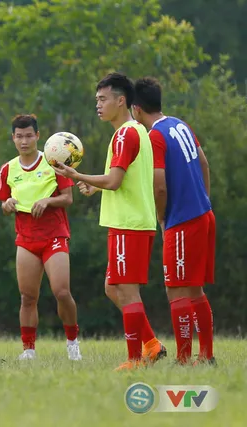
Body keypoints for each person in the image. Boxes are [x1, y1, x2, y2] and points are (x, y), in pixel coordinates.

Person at [53, 73, 166, 370]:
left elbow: (114, 181)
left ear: (121, 100)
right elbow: (119, 178)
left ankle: (135, 359)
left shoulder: (127, 133)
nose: (98, 106)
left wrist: (77, 176)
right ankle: (152, 345)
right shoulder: (130, 132)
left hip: (129, 223)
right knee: (112, 288)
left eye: (103, 100)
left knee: (126, 291)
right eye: (96, 100)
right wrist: (93, 184)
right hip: (126, 222)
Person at [132, 77, 215, 365]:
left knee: (175, 288)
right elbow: (204, 163)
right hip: (204, 214)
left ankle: (183, 359)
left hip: (183, 221)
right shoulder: (179, 124)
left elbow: (159, 186)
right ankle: (205, 356)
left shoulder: (155, 135)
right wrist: (204, 200)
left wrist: (163, 219)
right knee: (194, 288)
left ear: (136, 109)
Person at [0, 114, 81, 361]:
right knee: (27, 297)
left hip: (54, 235)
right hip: (26, 239)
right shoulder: (7, 169)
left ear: (38, 136)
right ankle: (28, 350)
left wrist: (47, 200)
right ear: (13, 138)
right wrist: (8, 204)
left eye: (29, 136)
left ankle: (73, 342)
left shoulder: (54, 162)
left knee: (61, 291)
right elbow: (3, 204)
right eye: (19, 136)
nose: (24, 141)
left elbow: (68, 198)